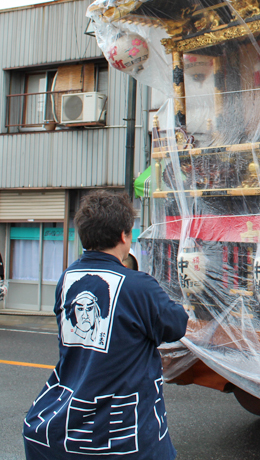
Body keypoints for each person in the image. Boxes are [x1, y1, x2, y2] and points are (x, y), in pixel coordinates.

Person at [23, 190, 189, 459]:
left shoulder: (68, 279)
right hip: (126, 434)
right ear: (124, 236)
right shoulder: (138, 286)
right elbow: (176, 325)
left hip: (73, 424)